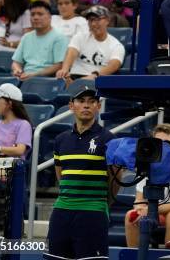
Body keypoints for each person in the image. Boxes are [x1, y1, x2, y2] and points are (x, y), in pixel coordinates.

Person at [47, 85, 120, 259]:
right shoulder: (60, 140)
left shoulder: (109, 139)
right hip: (61, 212)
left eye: (92, 101)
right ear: (71, 106)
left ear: (98, 106)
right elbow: (61, 175)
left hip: (93, 212)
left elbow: (115, 179)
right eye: (81, 101)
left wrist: (102, 205)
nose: (86, 106)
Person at [56, 5, 125, 83]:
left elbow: (114, 65)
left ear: (107, 20)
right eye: (90, 20)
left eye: (97, 19)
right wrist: (65, 69)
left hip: (98, 80)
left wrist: (95, 75)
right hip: (75, 77)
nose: (93, 24)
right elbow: (71, 52)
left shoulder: (116, 45)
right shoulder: (80, 36)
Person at [11, 1, 68, 81]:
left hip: (46, 80)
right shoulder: (26, 37)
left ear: (49, 17)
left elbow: (59, 65)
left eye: (40, 14)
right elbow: (16, 62)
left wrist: (34, 75)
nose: (35, 17)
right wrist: (17, 70)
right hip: (24, 77)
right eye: (32, 14)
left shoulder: (59, 38)